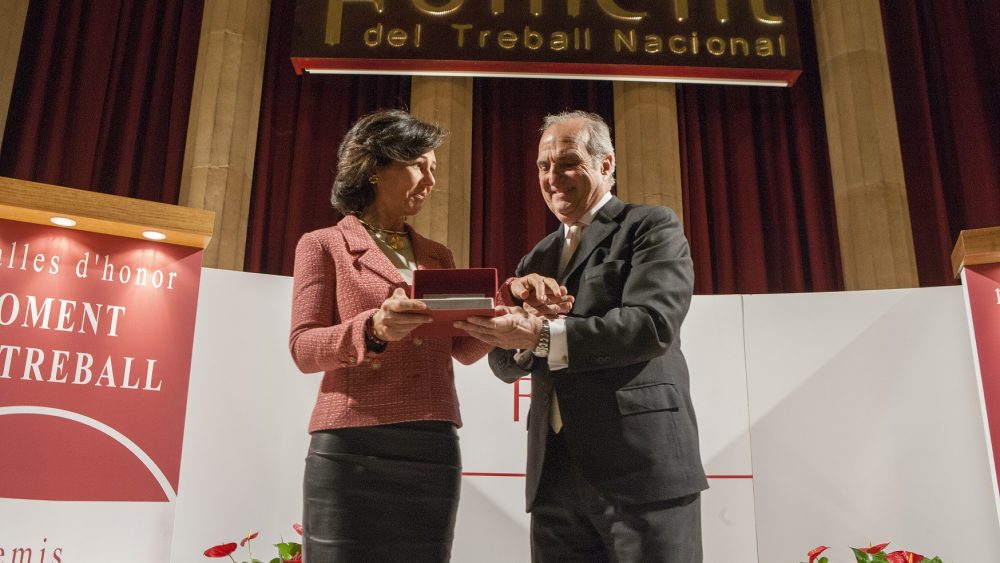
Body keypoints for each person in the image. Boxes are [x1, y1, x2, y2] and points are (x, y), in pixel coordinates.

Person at [457, 111, 708, 562]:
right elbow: (503, 362)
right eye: (543, 166)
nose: (553, 177)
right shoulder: (537, 256)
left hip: (640, 471)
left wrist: (541, 334)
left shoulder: (650, 226)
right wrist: (513, 338)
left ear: (606, 165)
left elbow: (652, 325)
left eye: (568, 161)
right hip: (553, 479)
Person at [288, 109, 492, 562]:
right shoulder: (323, 244)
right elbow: (303, 348)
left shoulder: (439, 255)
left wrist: (503, 320)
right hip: (351, 447)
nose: (432, 180)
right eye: (420, 164)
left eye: (434, 169)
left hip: (431, 445)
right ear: (377, 167)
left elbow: (463, 349)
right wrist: (372, 328)